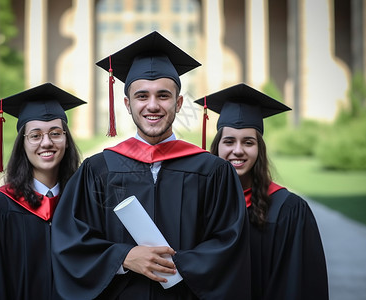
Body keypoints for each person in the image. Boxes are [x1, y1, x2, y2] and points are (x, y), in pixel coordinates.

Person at [51, 31, 251, 299]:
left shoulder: (213, 171)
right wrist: (124, 257)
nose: (153, 105)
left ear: (179, 103)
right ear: (127, 104)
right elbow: (71, 242)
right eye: (142, 96)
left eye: (164, 96)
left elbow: (230, 243)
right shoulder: (97, 170)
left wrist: (175, 265)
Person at [195, 83, 329, 300]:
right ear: (217, 147)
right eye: (229, 141)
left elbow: (299, 284)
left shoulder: (288, 210)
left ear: (259, 149)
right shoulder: (200, 202)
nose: (237, 150)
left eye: (248, 142)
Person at [0, 83, 86, 300]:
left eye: (55, 133)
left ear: (66, 140)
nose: (46, 143)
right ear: (23, 143)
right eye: (35, 136)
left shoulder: (83, 202)